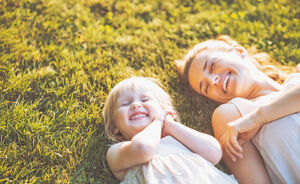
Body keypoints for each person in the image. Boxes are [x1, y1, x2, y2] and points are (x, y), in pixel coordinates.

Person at [175, 35, 300, 184]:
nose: (213, 80)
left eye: (212, 66)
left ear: (238, 51)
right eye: (206, 87)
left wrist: (259, 118)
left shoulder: (296, 78)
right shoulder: (233, 115)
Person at [102, 77, 238, 183]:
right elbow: (144, 148)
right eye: (125, 104)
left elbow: (214, 153)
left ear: (163, 110)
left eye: (145, 99)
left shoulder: (179, 139)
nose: (136, 105)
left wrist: (171, 126)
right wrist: (158, 122)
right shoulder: (118, 151)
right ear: (115, 128)